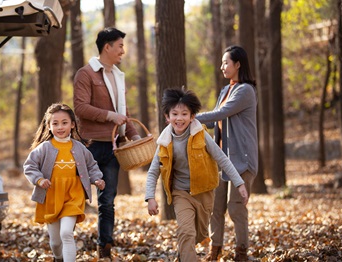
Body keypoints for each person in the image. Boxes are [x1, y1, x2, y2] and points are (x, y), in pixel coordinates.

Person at [145, 88, 249, 261]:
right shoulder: (164, 142)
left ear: (192, 116)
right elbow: (153, 171)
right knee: (186, 231)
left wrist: (239, 183)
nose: (179, 118)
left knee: (199, 233)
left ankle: (183, 254)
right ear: (167, 117)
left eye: (184, 114)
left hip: (204, 192)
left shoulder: (200, 134)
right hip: (181, 193)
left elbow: (221, 158)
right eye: (175, 114)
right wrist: (150, 197)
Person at [73, 27, 140, 259]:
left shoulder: (118, 75)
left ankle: (105, 248)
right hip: (89, 146)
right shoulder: (86, 73)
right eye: (120, 45)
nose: (123, 50)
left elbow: (124, 111)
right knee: (76, 198)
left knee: (107, 201)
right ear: (107, 47)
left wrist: (134, 136)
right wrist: (110, 116)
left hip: (113, 148)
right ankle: (64, 241)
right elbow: (80, 108)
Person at [196, 45, 258, 261]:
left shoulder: (245, 90)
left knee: (236, 208)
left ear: (238, 64)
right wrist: (190, 121)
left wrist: (191, 117)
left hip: (242, 160)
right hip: (222, 160)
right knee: (216, 208)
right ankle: (216, 250)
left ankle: (241, 251)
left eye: (225, 62)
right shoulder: (226, 90)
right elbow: (214, 121)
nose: (221, 66)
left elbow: (223, 112)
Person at [23, 103, 106, 262]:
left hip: (73, 196)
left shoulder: (79, 148)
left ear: (73, 124)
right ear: (48, 126)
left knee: (66, 233)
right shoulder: (44, 148)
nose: (60, 127)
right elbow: (30, 166)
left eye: (64, 122)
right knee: (55, 242)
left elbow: (92, 165)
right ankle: (58, 258)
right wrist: (39, 180)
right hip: (52, 197)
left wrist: (96, 179)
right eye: (55, 123)